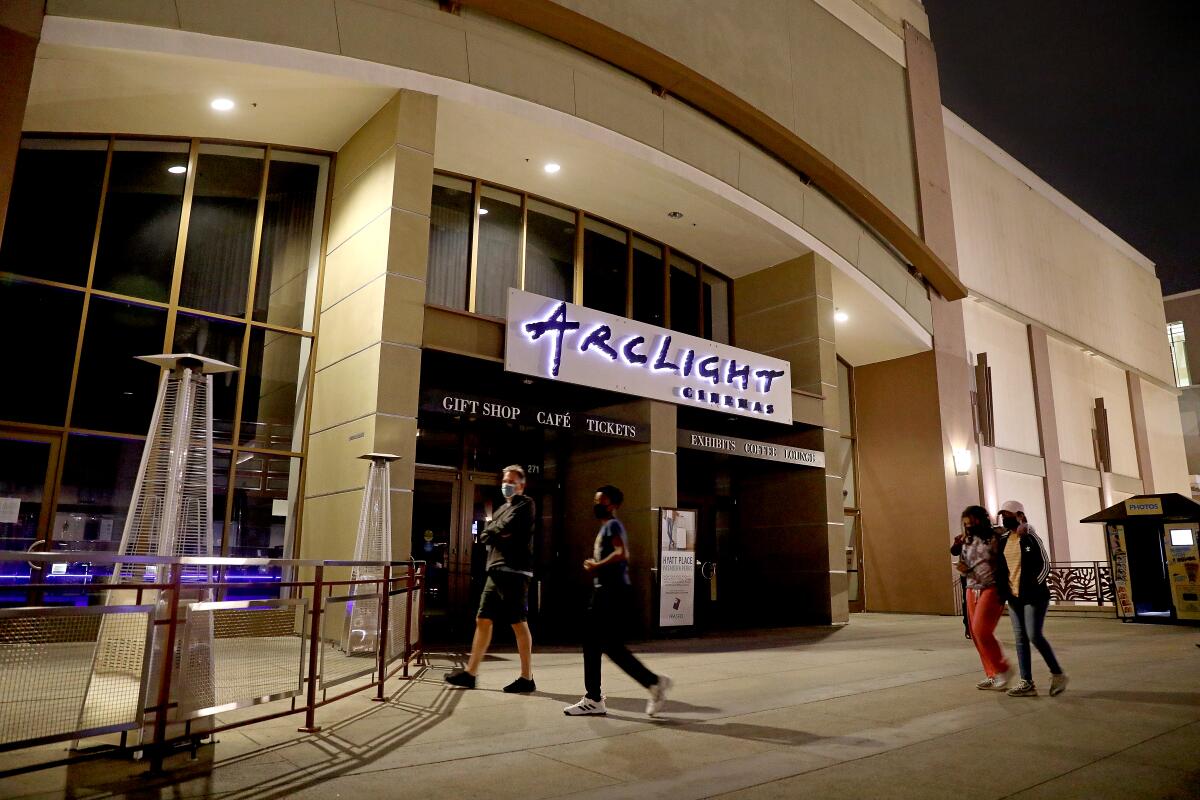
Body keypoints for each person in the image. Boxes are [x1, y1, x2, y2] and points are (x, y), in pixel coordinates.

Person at [563, 484, 672, 717]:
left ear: (613, 505)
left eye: (600, 501)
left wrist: (596, 565)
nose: (596, 505)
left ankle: (595, 698)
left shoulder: (612, 524)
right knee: (606, 645)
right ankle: (651, 683)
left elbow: (622, 554)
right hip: (609, 590)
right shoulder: (607, 527)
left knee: (596, 642)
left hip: (610, 592)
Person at [444, 465, 536, 693]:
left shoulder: (526, 504)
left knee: (518, 621)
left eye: (512, 481)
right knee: (483, 619)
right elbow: (490, 531)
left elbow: (503, 528)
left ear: (522, 485)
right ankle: (470, 674)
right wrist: (494, 532)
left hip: (515, 571)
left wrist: (495, 531)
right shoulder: (501, 508)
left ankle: (527, 678)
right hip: (495, 570)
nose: (507, 485)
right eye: (505, 480)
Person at [995, 500, 1067, 697]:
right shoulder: (1003, 540)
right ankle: (1026, 681)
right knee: (1020, 639)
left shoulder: (1030, 537)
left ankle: (1058, 674)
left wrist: (1035, 585)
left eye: (1008, 515)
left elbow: (1045, 563)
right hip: (1014, 596)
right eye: (1003, 515)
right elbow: (1002, 568)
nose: (1005, 518)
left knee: (1034, 635)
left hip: (1034, 596)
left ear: (1019, 515)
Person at [951, 505, 1012, 690]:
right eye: (965, 522)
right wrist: (963, 567)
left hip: (991, 586)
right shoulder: (966, 540)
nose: (968, 525)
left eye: (971, 520)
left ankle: (1003, 668)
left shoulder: (996, 536)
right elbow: (964, 559)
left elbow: (1011, 542)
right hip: (971, 586)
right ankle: (992, 673)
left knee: (982, 630)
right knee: (976, 634)